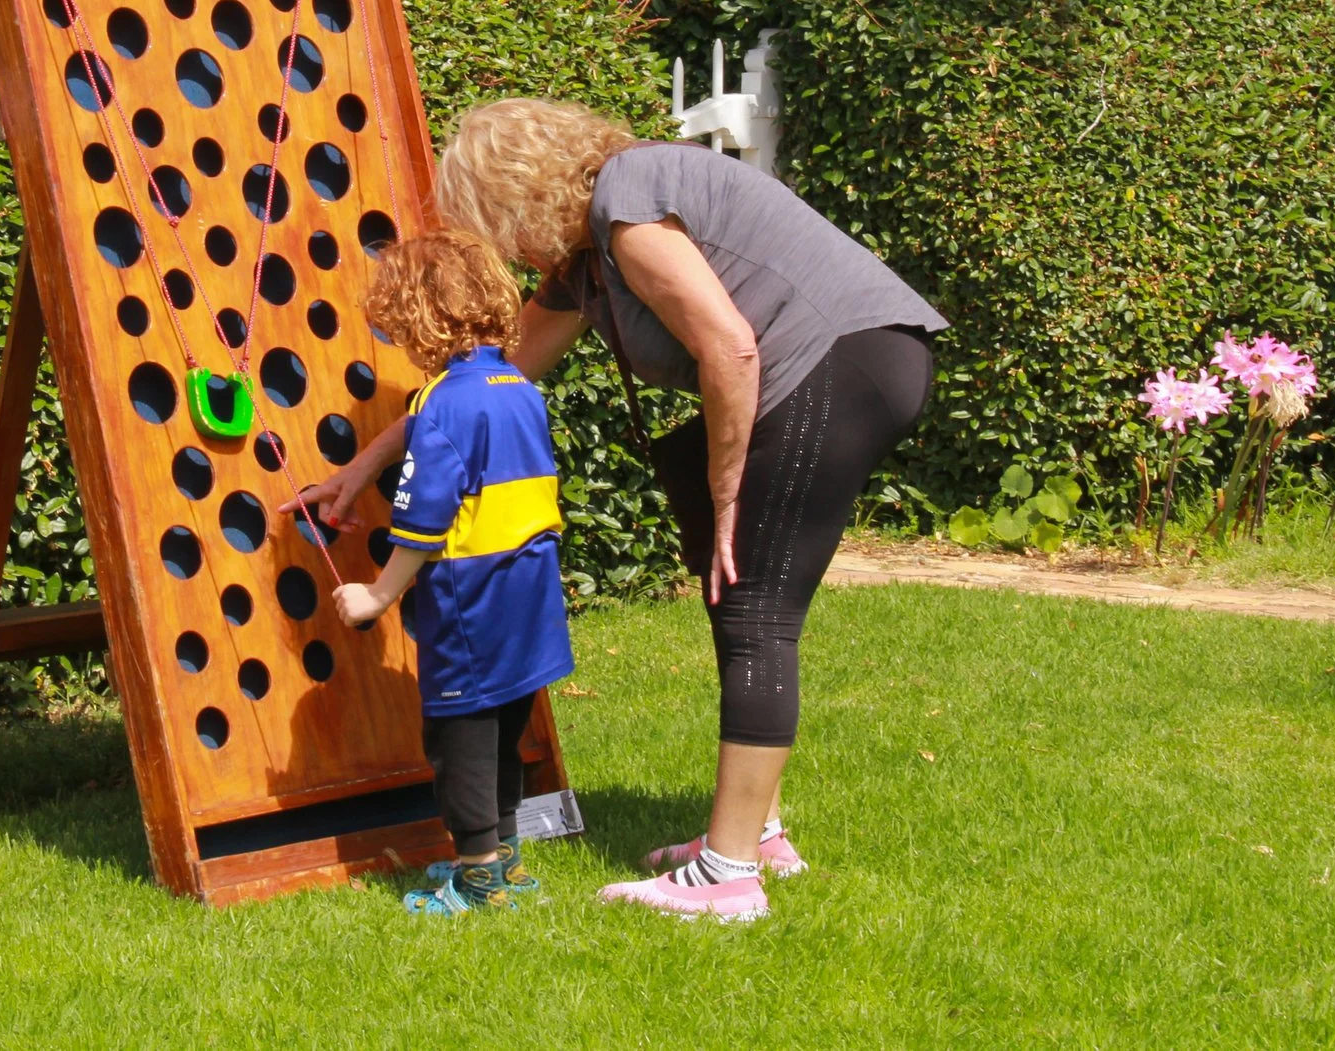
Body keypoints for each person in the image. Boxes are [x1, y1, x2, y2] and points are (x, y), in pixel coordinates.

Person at [305, 99, 944, 923]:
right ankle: (757, 833)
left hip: (840, 361)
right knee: (739, 602)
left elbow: (731, 344)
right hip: (855, 359)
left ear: (515, 192)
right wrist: (361, 468)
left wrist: (725, 497)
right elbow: (490, 379)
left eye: (490, 218)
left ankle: (729, 873)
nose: (501, 244)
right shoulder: (587, 260)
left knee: (752, 605)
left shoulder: (627, 199)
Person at [323, 227, 574, 916]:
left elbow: (424, 521)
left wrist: (377, 593)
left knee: (459, 737)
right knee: (502, 731)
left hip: (474, 601)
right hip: (530, 593)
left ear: (417, 319)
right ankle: (505, 860)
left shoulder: (443, 403)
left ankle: (478, 878)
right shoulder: (514, 386)